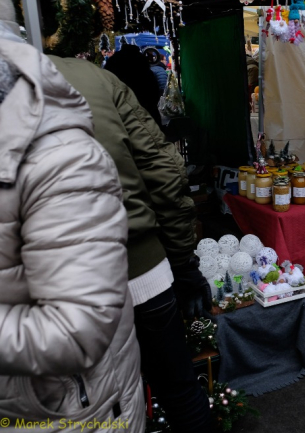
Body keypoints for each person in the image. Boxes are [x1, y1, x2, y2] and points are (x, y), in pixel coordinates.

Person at [50, 49, 218, 433]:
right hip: (142, 269)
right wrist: (182, 264)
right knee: (177, 387)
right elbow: (164, 172)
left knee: (84, 405)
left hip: (53, 293)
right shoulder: (93, 77)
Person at [0, 0, 144, 429]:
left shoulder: (57, 152)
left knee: (172, 375)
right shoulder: (100, 83)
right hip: (135, 253)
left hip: (68, 404)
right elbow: (157, 161)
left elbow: (74, 328)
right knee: (174, 375)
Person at [105, 44, 163, 126]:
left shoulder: (113, 62)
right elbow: (154, 91)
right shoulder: (142, 65)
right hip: (146, 112)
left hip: (121, 114)